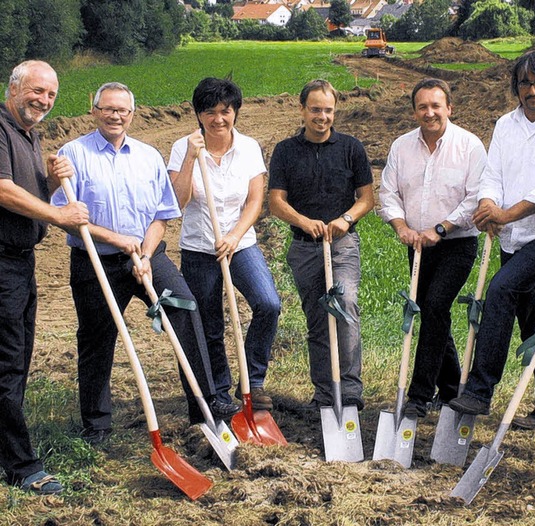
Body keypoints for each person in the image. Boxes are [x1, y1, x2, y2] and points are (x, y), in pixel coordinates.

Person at [51, 82, 240, 445]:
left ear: (132, 115)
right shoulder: (73, 154)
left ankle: (204, 412)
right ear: (94, 111)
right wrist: (120, 241)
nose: (115, 116)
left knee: (186, 312)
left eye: (122, 110)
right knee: (97, 337)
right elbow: (66, 212)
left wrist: (146, 253)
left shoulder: (148, 156)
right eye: (107, 109)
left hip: (150, 256)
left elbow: (161, 214)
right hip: (96, 260)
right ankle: (97, 426)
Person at [449, 50, 535, 429]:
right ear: (517, 87)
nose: (532, 90)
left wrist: (506, 213)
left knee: (500, 291)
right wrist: (488, 204)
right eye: (525, 82)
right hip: (512, 238)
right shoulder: (505, 125)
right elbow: (492, 173)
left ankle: (480, 390)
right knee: (533, 321)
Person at [0, 61, 89, 495]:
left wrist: (51, 186)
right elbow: (0, 189)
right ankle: (21, 465)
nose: (44, 100)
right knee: (8, 360)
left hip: (20, 260)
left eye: (52, 95)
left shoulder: (29, 135)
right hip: (2, 263)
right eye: (37, 91)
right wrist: (58, 214)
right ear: (13, 88)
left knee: (17, 358)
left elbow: (26, 197)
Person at [168, 78, 281, 411]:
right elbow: (179, 201)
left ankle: (253, 380)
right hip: (199, 249)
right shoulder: (182, 147)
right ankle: (218, 392)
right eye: (210, 112)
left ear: (235, 112)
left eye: (225, 111)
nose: (218, 119)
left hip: (240, 244)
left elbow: (256, 200)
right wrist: (190, 158)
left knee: (268, 303)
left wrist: (233, 237)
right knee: (210, 323)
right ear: (198, 115)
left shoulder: (248, 147)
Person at [379, 78, 486, 416]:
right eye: (423, 107)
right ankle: (452, 387)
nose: (430, 113)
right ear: (414, 111)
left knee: (437, 305)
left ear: (449, 108)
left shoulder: (469, 146)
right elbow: (388, 193)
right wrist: (401, 227)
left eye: (436, 106)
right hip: (418, 246)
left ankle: (419, 396)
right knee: (431, 312)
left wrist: (441, 228)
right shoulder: (401, 147)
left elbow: (475, 197)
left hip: (457, 243)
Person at [268, 79, 374, 410]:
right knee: (317, 319)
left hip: (341, 245)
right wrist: (303, 221)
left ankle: (351, 392)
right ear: (302, 110)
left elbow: (367, 198)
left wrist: (346, 219)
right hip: (304, 247)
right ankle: (325, 396)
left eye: (328, 110)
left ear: (335, 111)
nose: (322, 117)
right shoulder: (286, 151)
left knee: (346, 308)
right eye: (315, 109)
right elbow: (276, 202)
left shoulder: (351, 148)